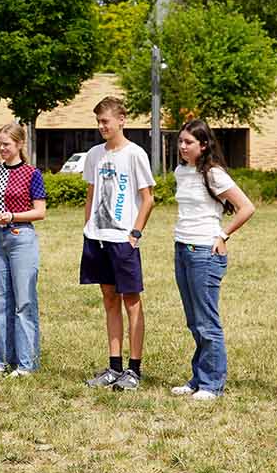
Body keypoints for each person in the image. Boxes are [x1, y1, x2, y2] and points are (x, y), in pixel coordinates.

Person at [171, 119, 256, 401]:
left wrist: (223, 235)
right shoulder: (181, 171)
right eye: (181, 141)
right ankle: (198, 377)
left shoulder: (214, 174)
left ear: (204, 145)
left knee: (207, 322)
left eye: (189, 142)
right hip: (182, 249)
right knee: (194, 321)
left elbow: (246, 207)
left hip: (204, 253)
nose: (182, 147)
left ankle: (212, 384)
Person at [81, 97, 156, 391]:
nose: (101, 127)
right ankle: (114, 366)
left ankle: (134, 370)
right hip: (97, 239)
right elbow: (91, 193)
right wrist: (88, 228)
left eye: (105, 121)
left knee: (131, 302)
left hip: (123, 240)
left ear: (121, 119)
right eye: (98, 122)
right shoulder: (94, 155)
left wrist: (135, 233)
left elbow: (148, 198)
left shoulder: (135, 154)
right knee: (109, 300)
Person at [0, 121, 47, 379]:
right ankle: (3, 359)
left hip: (21, 238)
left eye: (6, 144)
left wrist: (12, 216)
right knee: (0, 301)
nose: (1, 148)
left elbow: (40, 211)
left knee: (24, 301)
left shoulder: (32, 174)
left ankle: (26, 362)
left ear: (19, 144)